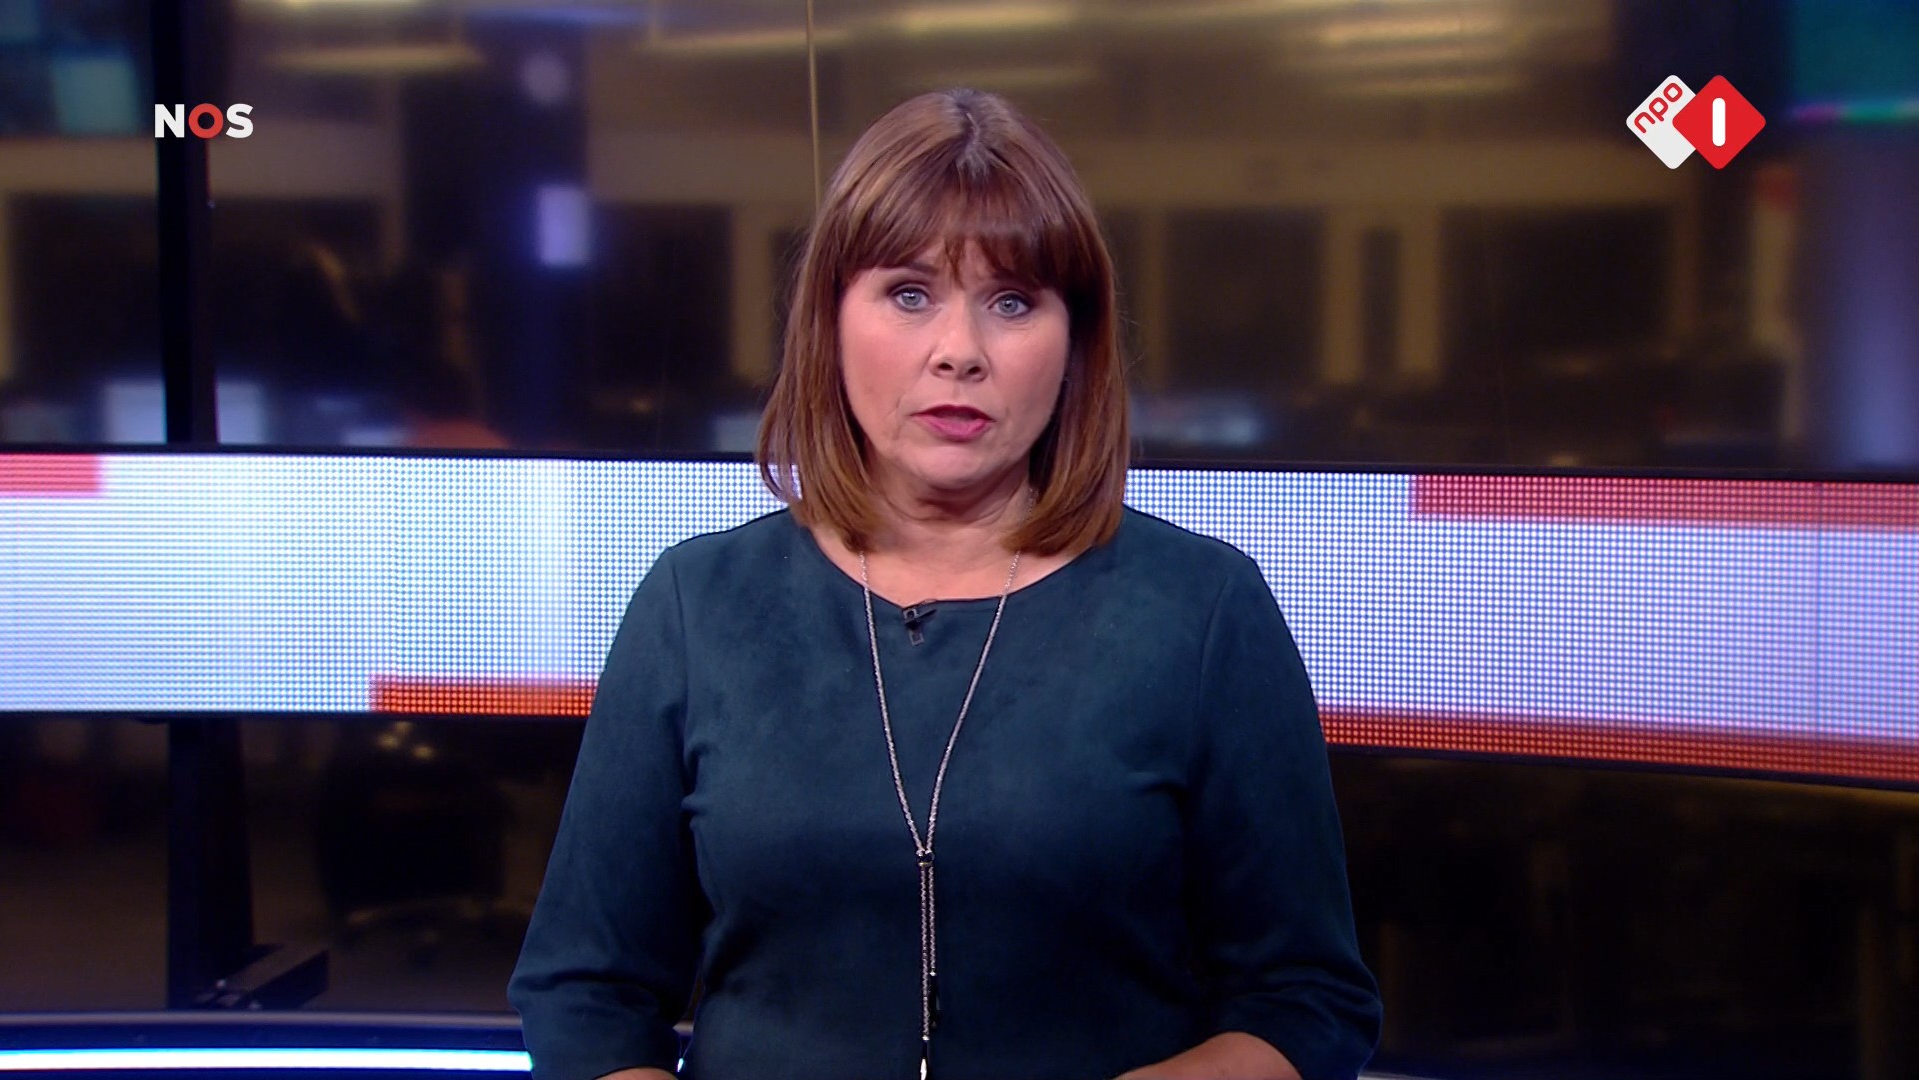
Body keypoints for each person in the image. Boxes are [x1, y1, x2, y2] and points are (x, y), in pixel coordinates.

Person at [508, 88, 1381, 1080]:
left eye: (1012, 302)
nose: (959, 351)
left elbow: (1307, 1002)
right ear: (832, 319)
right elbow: (587, 993)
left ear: (1075, 339)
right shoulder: (697, 604)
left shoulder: (1202, 610)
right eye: (910, 293)